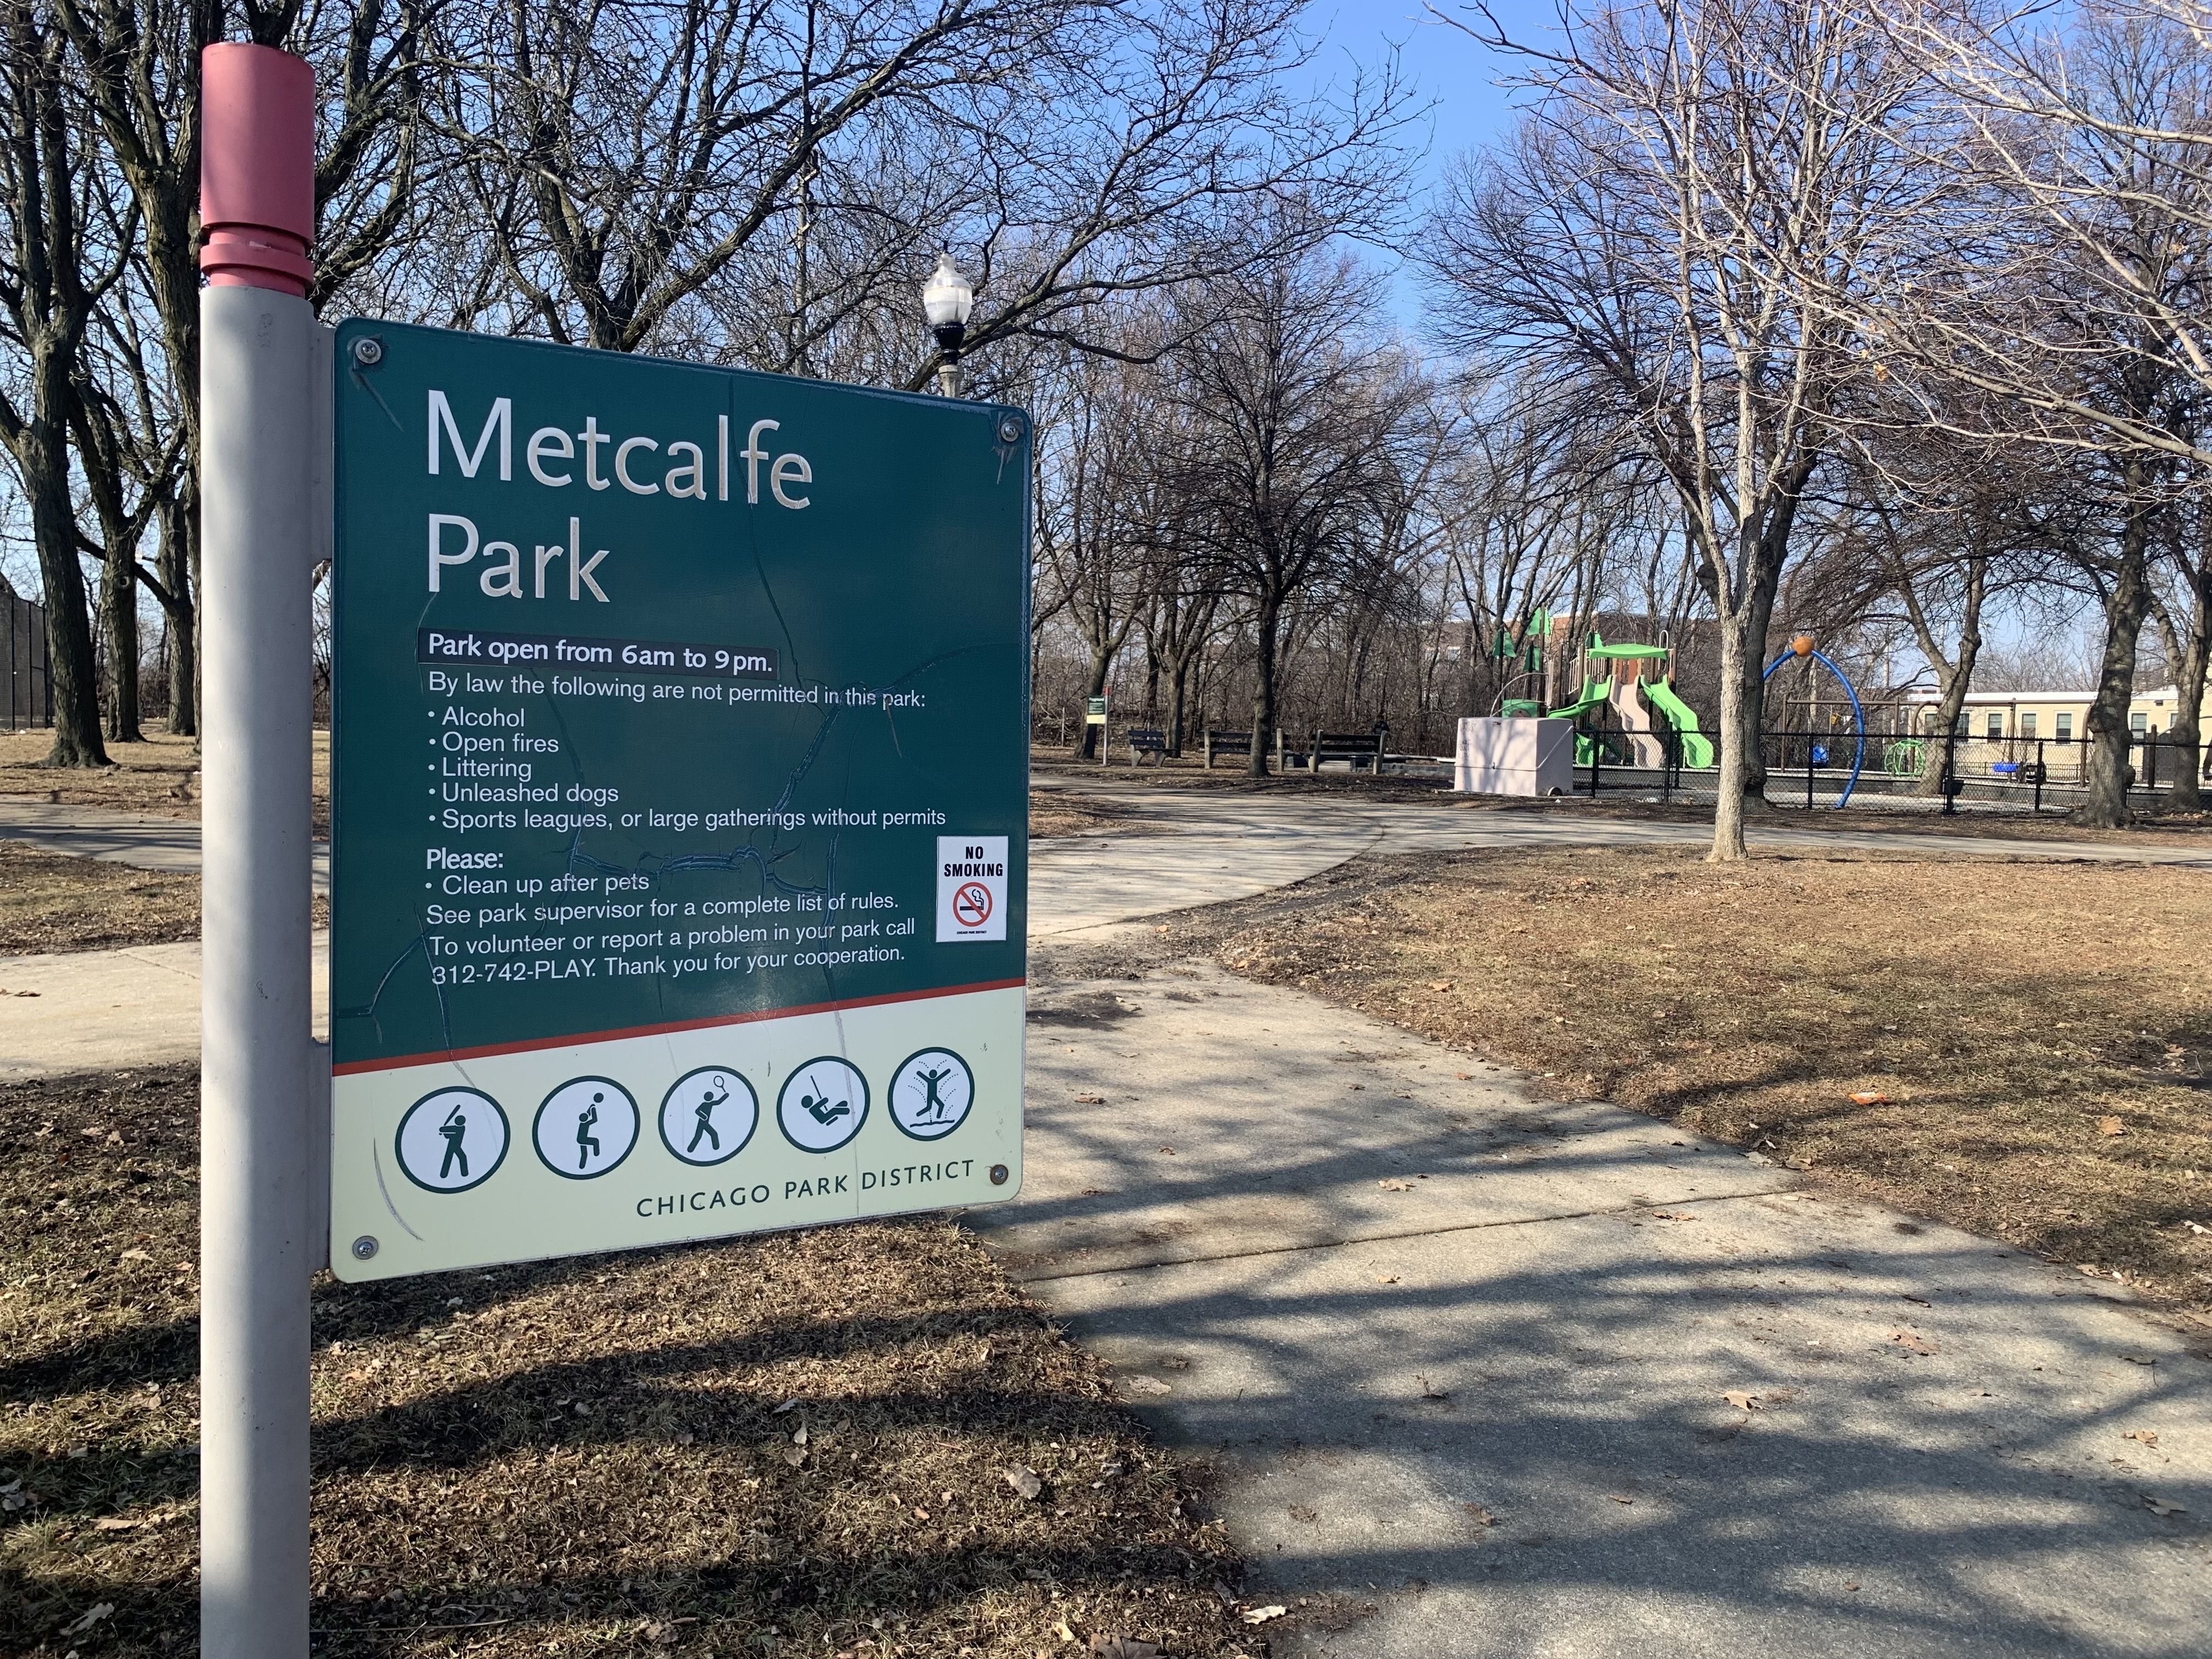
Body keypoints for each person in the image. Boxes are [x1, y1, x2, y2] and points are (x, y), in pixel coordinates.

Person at [688, 1079, 727, 1154]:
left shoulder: (711, 1104)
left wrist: (726, 1095)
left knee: (710, 1134)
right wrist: (704, 1117)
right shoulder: (704, 1104)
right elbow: (697, 1111)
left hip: (705, 1123)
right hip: (702, 1123)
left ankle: (716, 1148)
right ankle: (690, 1150)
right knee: (701, 1136)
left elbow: (719, 1102)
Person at [438, 1105, 469, 1181]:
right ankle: (444, 1175)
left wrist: (442, 1130)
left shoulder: (459, 1129)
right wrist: (443, 1131)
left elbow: (444, 1130)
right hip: (453, 1146)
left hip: (455, 1146)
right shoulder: (460, 1128)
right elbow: (447, 1135)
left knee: (459, 1158)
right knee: (453, 1159)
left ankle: (464, 1174)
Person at [576, 1094, 602, 1170]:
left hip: (580, 1140)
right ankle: (597, 1154)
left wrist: (591, 1107)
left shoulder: (582, 1123)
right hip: (582, 1139)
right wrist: (593, 1110)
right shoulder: (586, 1124)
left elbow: (587, 1115)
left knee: (584, 1154)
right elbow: (595, 1119)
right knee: (595, 1141)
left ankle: (582, 1166)